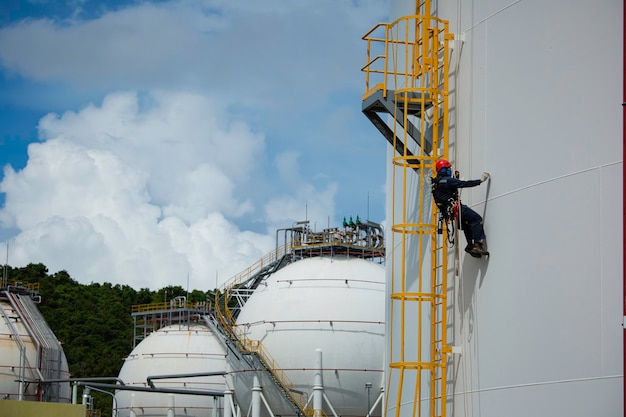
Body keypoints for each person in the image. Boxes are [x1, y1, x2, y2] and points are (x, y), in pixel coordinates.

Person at [431, 159, 490, 258]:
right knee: (476, 219)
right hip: (456, 209)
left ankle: (470, 246)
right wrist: (480, 181)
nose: (450, 170)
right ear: (444, 170)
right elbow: (464, 184)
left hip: (450, 215)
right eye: (448, 168)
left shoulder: (436, 184)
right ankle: (477, 244)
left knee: (467, 225)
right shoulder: (448, 180)